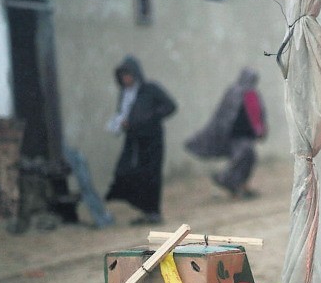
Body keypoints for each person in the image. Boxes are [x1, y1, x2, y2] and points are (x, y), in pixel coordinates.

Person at [104, 55, 177, 225]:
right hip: (133, 140)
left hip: (152, 139)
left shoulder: (150, 89)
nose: (126, 78)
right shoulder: (124, 94)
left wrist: (150, 117)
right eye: (123, 75)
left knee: (151, 174)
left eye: (128, 74)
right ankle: (144, 209)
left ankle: (153, 212)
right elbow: (123, 113)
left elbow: (170, 106)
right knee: (129, 172)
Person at [184, 67, 266, 199]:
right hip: (236, 134)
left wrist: (260, 129)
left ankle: (240, 185)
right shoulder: (233, 92)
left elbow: (258, 113)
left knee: (248, 159)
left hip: (247, 135)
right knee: (241, 158)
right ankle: (225, 180)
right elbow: (223, 114)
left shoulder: (253, 94)